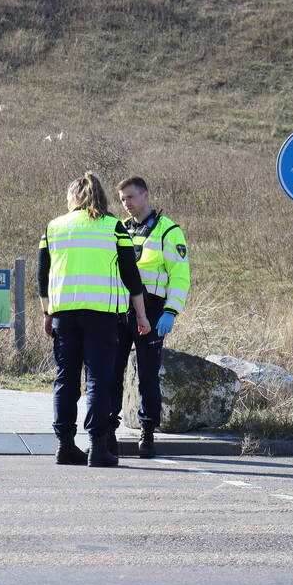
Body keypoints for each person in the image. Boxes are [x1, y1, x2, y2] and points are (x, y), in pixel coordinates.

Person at [37, 172, 151, 467]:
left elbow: (42, 276)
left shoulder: (54, 227)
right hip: (102, 317)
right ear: (100, 196)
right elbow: (131, 275)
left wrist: (47, 313)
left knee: (66, 380)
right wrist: (141, 315)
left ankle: (64, 446)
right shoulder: (113, 228)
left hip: (64, 315)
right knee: (98, 382)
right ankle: (98, 448)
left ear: (73, 197)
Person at [110, 176, 191, 458]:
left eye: (130, 198)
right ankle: (109, 429)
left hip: (154, 310)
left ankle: (147, 432)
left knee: (147, 374)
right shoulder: (120, 229)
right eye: (122, 200)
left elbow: (180, 276)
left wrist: (171, 311)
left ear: (145, 195)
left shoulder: (168, 231)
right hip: (120, 309)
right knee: (112, 371)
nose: (127, 204)